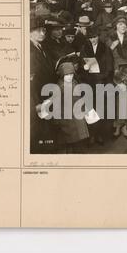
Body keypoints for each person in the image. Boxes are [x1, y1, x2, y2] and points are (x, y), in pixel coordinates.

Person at [80, 26, 114, 146]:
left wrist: (101, 76)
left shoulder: (105, 48)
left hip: (101, 82)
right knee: (90, 110)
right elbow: (81, 65)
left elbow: (110, 67)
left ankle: (100, 134)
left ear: (98, 36)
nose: (93, 40)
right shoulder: (84, 48)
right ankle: (92, 134)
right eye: (90, 38)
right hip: (89, 82)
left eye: (94, 37)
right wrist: (85, 68)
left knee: (100, 109)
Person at [30, 17, 57, 153]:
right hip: (38, 98)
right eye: (38, 30)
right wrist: (36, 102)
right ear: (29, 32)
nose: (42, 33)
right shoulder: (29, 51)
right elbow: (30, 81)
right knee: (39, 130)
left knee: (47, 128)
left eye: (43, 30)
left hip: (47, 95)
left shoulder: (41, 47)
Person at [54, 61, 90, 153]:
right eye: (67, 75)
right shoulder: (59, 88)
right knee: (74, 144)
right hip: (68, 121)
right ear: (62, 75)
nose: (70, 77)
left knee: (79, 143)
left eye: (71, 74)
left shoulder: (74, 82)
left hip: (78, 118)